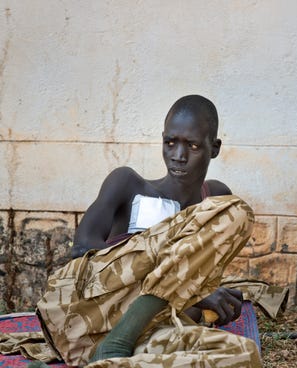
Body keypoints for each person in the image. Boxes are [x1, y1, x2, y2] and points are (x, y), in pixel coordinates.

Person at [30, 95, 262, 367]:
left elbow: (190, 292)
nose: (179, 156)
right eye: (170, 143)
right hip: (90, 316)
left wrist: (201, 296)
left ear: (215, 148)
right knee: (236, 210)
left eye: (193, 145)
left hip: (152, 329)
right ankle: (118, 342)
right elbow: (82, 251)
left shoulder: (214, 199)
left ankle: (107, 361)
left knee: (243, 355)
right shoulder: (128, 183)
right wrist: (193, 290)